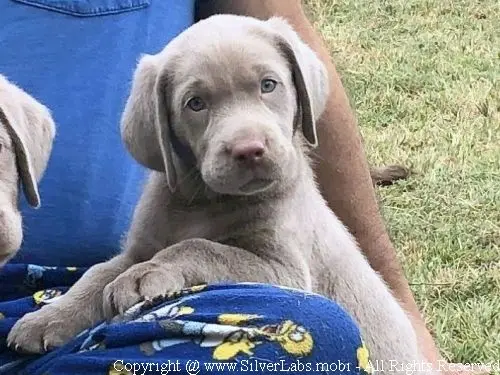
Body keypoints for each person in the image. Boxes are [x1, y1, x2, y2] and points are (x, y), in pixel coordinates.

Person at [0, 1, 462, 374]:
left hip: (354, 354)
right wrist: (77, 305)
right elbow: (137, 262)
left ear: (300, 91)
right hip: (52, 293)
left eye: (267, 86)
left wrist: (184, 260)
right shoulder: (164, 194)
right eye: (197, 103)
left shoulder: (282, 198)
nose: (246, 141)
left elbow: (285, 276)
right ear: (163, 127)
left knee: (313, 335)